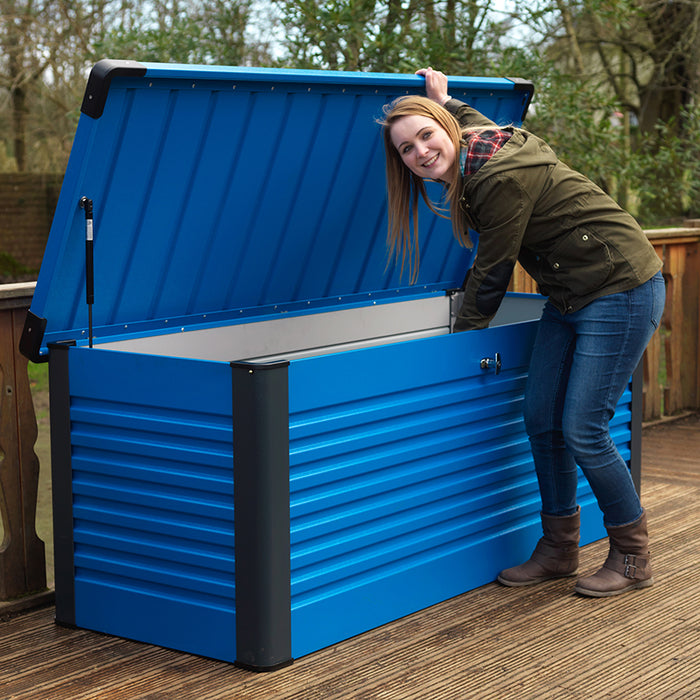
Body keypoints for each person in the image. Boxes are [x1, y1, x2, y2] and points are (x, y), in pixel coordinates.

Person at [379, 67, 665, 597]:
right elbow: (462, 120)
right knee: (540, 417)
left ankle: (632, 555)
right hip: (570, 292)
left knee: (584, 427)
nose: (420, 152)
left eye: (426, 135)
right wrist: (443, 100)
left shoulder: (496, 177)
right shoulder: (479, 144)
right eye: (406, 148)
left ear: (445, 130)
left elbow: (491, 272)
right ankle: (559, 548)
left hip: (620, 285)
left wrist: (457, 345)